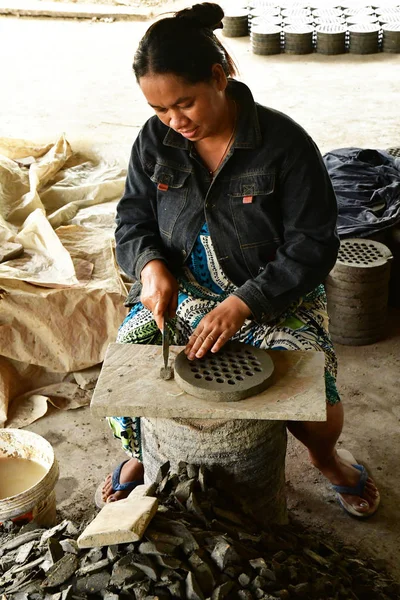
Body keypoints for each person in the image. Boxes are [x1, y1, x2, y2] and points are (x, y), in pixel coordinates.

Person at [100, 2, 380, 518]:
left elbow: (314, 246)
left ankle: (325, 458)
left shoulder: (285, 144)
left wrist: (243, 304)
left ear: (219, 75)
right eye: (160, 110)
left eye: (184, 103)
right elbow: (132, 218)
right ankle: (143, 452)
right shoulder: (154, 140)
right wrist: (150, 267)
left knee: (309, 391)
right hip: (184, 295)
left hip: (273, 298)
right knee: (128, 371)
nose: (174, 121)